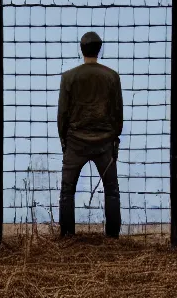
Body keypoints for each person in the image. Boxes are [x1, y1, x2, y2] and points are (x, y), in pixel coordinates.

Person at [57, 31, 123, 238]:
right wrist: (113, 136)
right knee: (111, 191)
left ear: (81, 48)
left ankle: (67, 236)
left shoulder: (69, 77)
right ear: (99, 49)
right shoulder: (112, 76)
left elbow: (63, 114)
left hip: (76, 141)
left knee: (68, 191)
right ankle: (112, 236)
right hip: (104, 142)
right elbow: (117, 113)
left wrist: (65, 141)